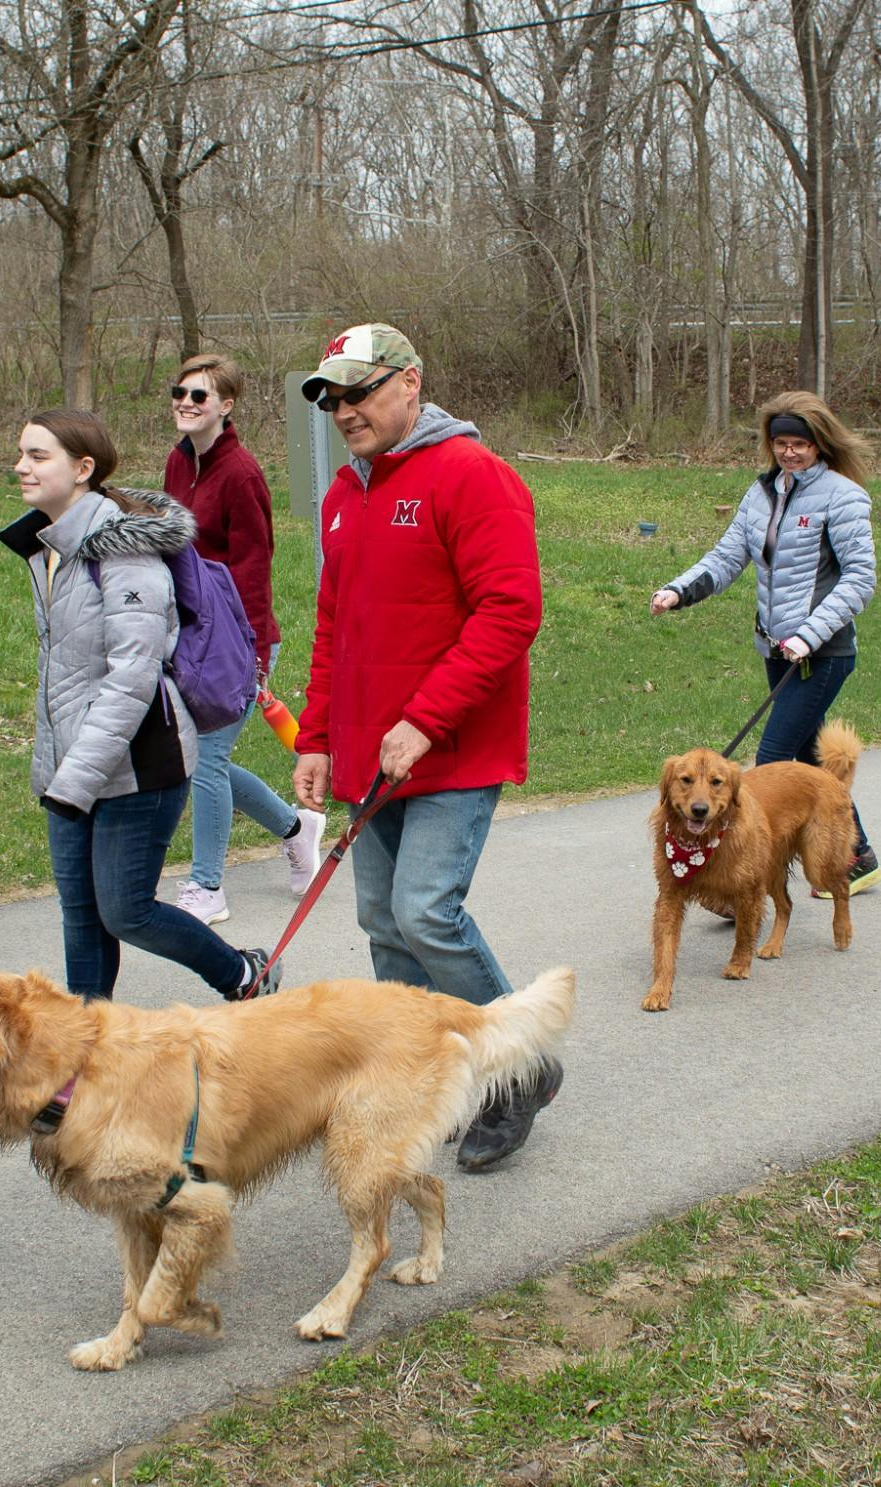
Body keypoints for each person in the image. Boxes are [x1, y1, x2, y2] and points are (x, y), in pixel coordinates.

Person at [291, 324, 556, 1173]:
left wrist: (427, 716)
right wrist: (320, 736)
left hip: (453, 749)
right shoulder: (342, 494)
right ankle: (421, 1072)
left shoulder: (474, 476)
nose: (346, 411)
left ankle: (520, 1066)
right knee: (384, 925)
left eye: (361, 391)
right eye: (334, 398)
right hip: (374, 756)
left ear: (411, 383)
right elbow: (335, 627)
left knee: (424, 909)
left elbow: (511, 611)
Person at [0, 409, 281, 1003]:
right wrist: (59, 766)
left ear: (83, 469)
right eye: (22, 454)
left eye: (38, 456)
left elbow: (132, 677)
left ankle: (241, 973)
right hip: (75, 759)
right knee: (81, 915)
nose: (21, 467)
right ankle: (84, 1049)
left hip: (141, 763)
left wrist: (73, 779)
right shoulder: (48, 546)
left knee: (125, 911)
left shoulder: (122, 553)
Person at [650, 389, 881, 895]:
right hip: (778, 653)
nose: (790, 452)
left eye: (801, 443)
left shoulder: (842, 496)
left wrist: (809, 635)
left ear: (820, 444)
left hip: (823, 653)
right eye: (782, 443)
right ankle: (856, 855)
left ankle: (746, 883)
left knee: (772, 762)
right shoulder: (764, 494)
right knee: (811, 758)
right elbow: (727, 556)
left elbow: (860, 579)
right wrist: (679, 591)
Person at [162, 353, 325, 925]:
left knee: (206, 758)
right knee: (198, 757)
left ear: (225, 407)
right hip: (190, 638)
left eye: (199, 396)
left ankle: (207, 887)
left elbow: (255, 567)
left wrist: (255, 656)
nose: (185, 402)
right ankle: (294, 827)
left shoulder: (242, 474)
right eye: (179, 392)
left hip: (237, 640)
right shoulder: (177, 464)